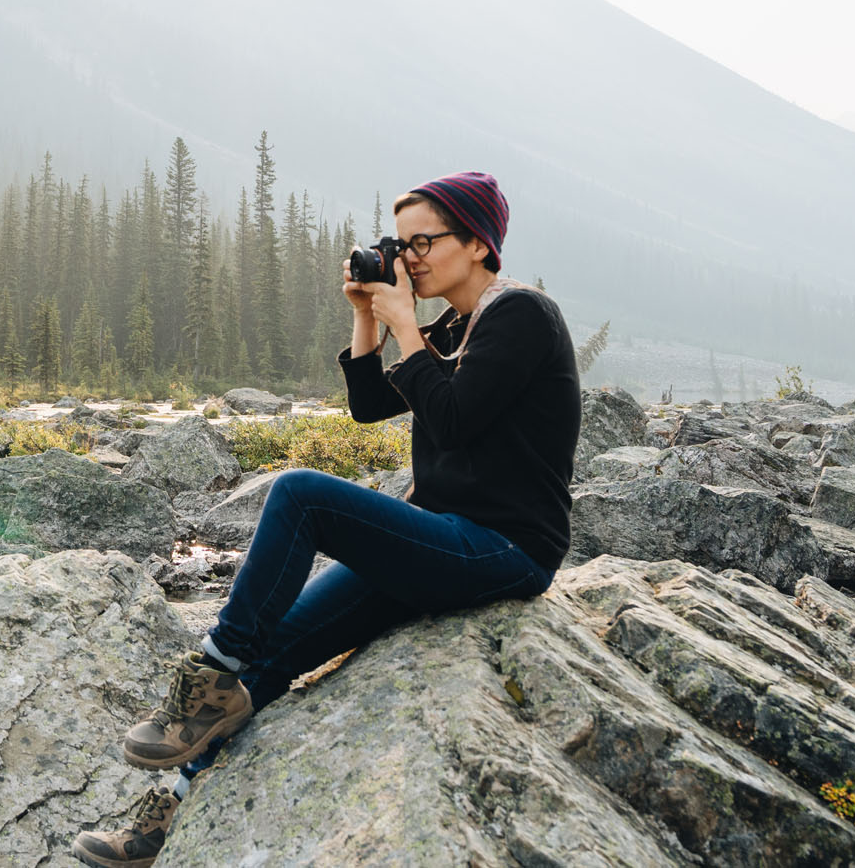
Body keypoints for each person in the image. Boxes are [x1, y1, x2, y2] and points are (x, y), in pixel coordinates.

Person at [70, 171, 581, 867]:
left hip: (506, 549)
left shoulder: (522, 315)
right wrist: (368, 313)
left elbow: (455, 419)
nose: (410, 259)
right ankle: (174, 809)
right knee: (278, 647)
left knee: (301, 493)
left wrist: (403, 320)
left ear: (479, 242)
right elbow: (371, 404)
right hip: (441, 539)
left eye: (423, 242)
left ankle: (209, 676)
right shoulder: (455, 324)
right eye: (400, 246)